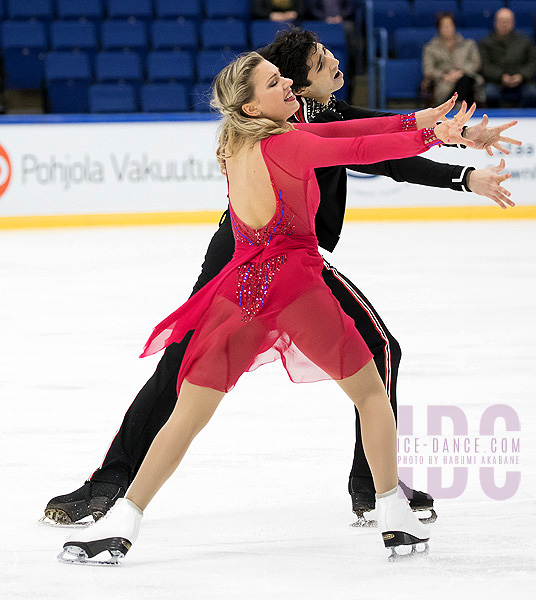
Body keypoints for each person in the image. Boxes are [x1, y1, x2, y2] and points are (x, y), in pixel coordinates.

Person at [43, 29, 519, 531]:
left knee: (375, 352)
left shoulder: (314, 114)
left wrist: (447, 147)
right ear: (296, 82)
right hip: (255, 257)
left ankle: (374, 486)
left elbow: (375, 136)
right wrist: (437, 138)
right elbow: (368, 147)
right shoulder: (286, 124)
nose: (335, 61)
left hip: (285, 257)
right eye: (320, 60)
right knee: (183, 364)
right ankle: (111, 483)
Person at [422, 12, 484, 106]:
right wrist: (445, 76)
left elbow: (476, 63)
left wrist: (461, 72)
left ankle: (457, 105)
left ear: (454, 26)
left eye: (450, 25)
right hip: (444, 82)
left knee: (466, 80)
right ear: (438, 28)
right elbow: (428, 70)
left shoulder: (468, 44)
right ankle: (455, 105)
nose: (447, 28)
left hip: (467, 78)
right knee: (456, 85)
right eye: (444, 26)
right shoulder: (430, 48)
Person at [479, 7, 536, 108]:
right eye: (501, 21)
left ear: (513, 22)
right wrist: (501, 76)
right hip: (495, 81)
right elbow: (485, 65)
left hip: (523, 81)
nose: (504, 24)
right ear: (495, 22)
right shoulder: (486, 42)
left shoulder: (525, 41)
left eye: (507, 21)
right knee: (489, 93)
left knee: (532, 92)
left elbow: (532, 63)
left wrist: (521, 76)